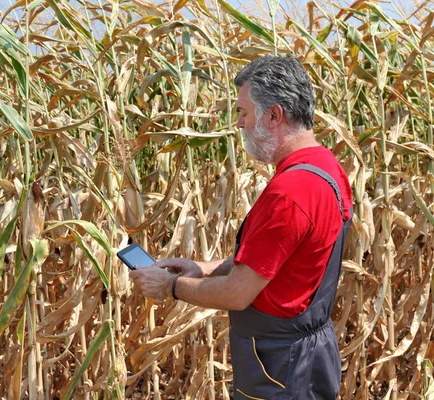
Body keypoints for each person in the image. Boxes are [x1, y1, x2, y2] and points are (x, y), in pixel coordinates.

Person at [129, 55, 353, 399]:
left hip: (280, 368)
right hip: (310, 355)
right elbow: (277, 264)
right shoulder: (326, 166)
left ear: (274, 115)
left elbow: (237, 293)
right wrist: (200, 269)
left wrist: (171, 286)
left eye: (244, 113)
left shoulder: (290, 193)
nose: (238, 124)